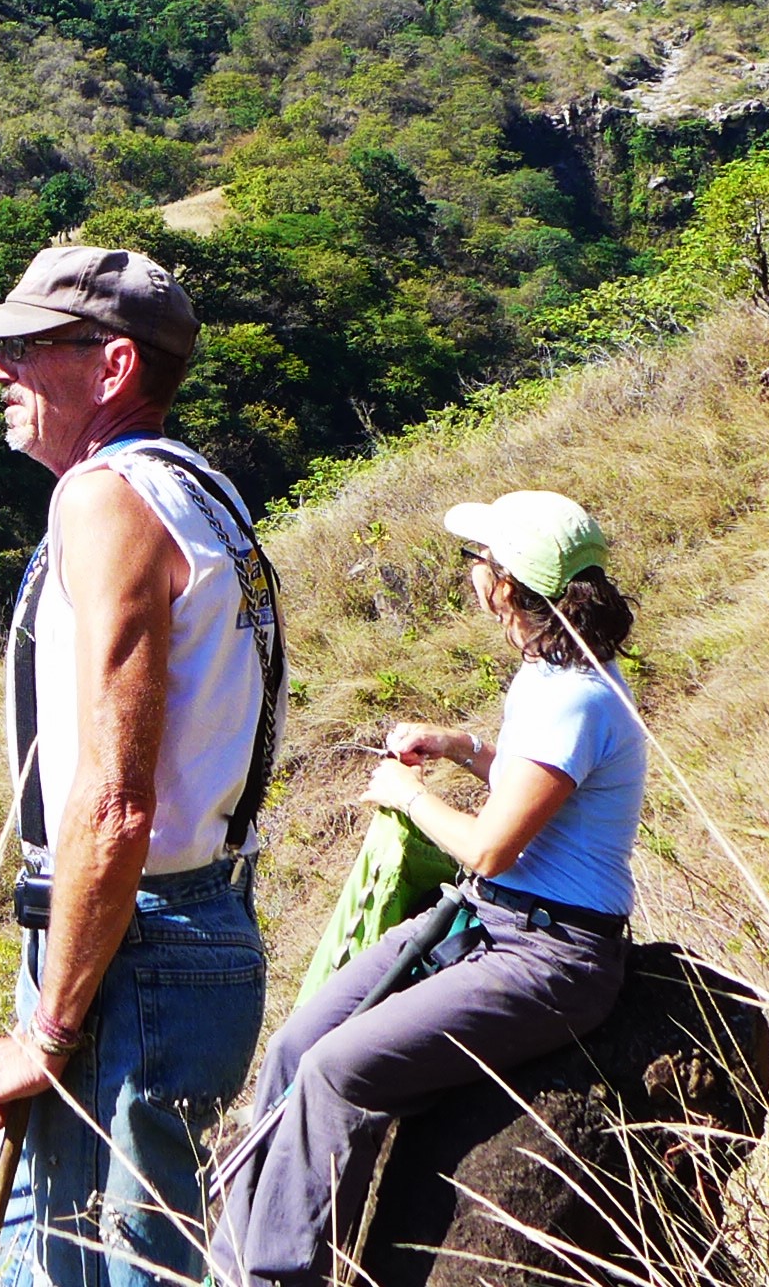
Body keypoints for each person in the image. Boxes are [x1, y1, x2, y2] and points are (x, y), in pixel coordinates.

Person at [0, 246, 282, 1287]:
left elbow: (116, 801)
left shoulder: (106, 498)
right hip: (180, 924)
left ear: (112, 366)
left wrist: (46, 1032)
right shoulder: (200, 490)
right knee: (16, 1247)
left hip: (134, 945)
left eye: (27, 348)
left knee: (96, 1268)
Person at [205, 490, 643, 1287]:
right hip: (495, 923)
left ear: (506, 584)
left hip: (549, 953)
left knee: (339, 1070)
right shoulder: (556, 673)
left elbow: (491, 848)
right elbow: (537, 782)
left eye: (478, 560)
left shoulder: (575, 697)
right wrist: (460, 746)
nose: (470, 571)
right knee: (297, 1046)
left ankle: (275, 1276)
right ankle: (229, 1265)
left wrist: (408, 797)